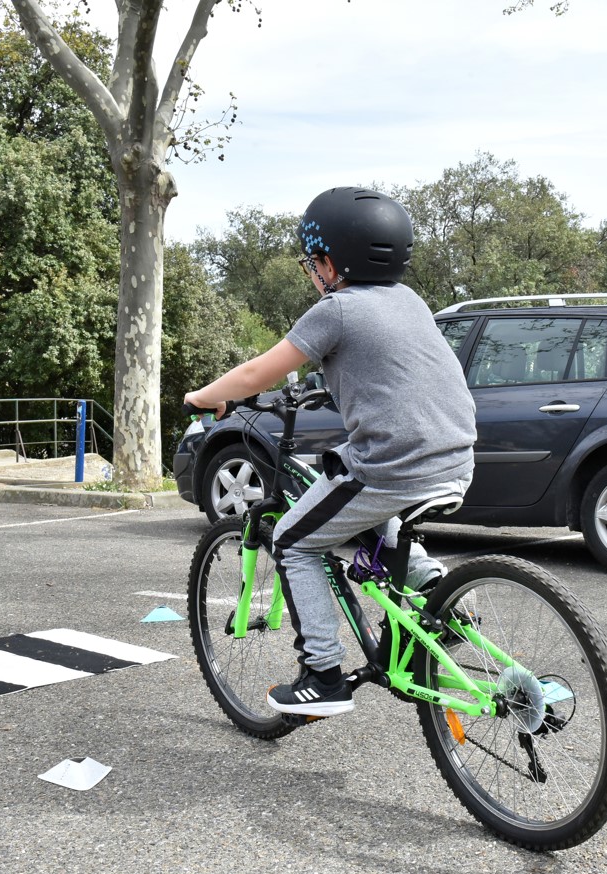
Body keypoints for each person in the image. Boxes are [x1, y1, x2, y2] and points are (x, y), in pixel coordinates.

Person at [184, 187, 476, 717]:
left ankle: (323, 674)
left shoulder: (335, 310)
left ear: (330, 262)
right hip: (455, 459)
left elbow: (256, 372)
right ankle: (444, 598)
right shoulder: (410, 301)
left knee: (294, 539)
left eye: (311, 261)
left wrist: (207, 397)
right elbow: (390, 371)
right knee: (365, 520)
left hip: (391, 467)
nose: (311, 272)